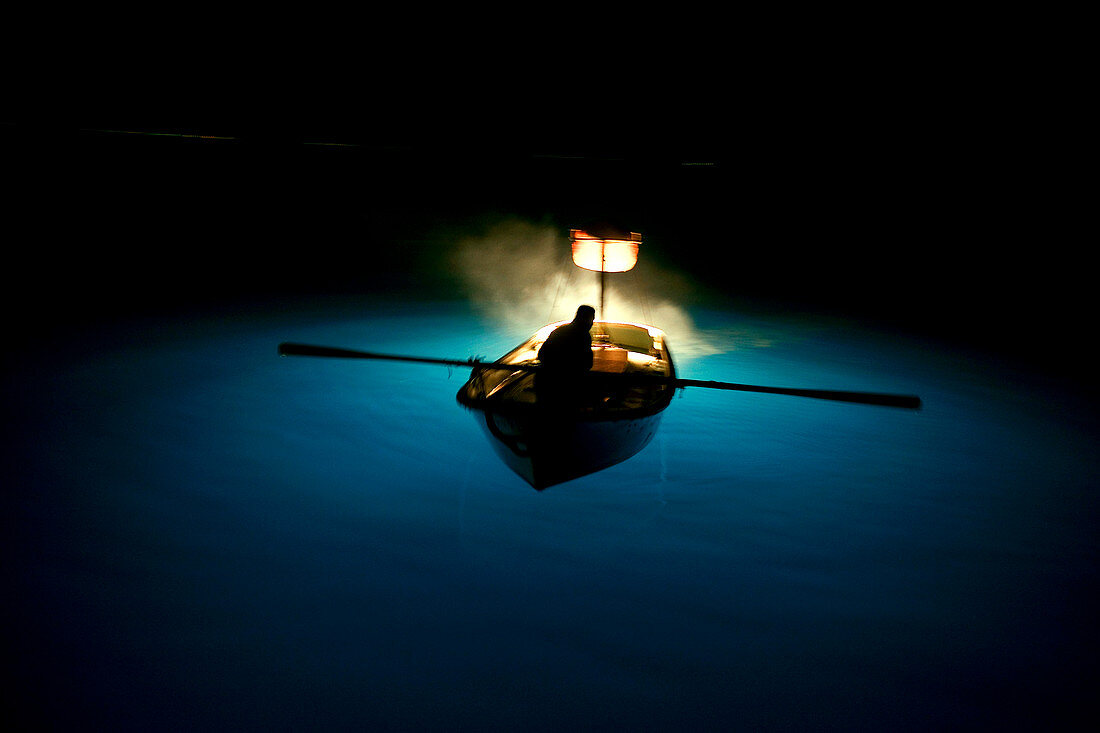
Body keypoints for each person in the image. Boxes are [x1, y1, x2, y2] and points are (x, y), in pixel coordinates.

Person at [536, 305, 595, 406]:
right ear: (586, 319)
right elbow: (587, 364)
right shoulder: (584, 336)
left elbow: (541, 354)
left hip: (544, 382)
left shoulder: (559, 331)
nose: (592, 323)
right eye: (591, 319)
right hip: (566, 386)